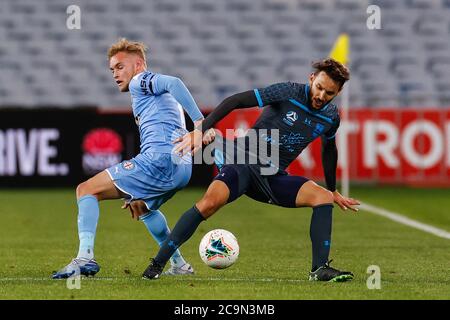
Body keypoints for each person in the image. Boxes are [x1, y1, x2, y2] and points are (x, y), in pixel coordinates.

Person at [142, 58, 360, 282]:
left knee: (323, 197)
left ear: (338, 92)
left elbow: (329, 150)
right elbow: (235, 100)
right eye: (319, 87)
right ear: (311, 79)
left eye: (329, 93)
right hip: (242, 163)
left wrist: (333, 190)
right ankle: (158, 263)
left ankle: (319, 269)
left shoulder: (331, 117)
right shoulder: (288, 92)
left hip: (272, 176)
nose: (321, 96)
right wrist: (201, 129)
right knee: (209, 204)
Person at [52, 38, 214, 279]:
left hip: (158, 160)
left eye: (120, 67)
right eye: (112, 69)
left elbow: (175, 82)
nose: (115, 74)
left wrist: (201, 123)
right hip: (181, 168)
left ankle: (85, 257)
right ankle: (179, 264)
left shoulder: (141, 81)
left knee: (86, 190)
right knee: (142, 208)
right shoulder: (154, 97)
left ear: (138, 65)